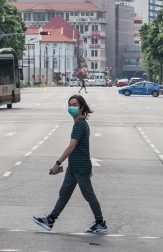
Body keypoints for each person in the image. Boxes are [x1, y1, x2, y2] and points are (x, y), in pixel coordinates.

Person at [33, 94, 107, 234]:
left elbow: (72, 146)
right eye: (70, 105)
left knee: (88, 195)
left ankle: (100, 223)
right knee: (64, 193)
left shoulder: (79, 124)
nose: (71, 107)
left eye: (75, 105)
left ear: (81, 107)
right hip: (74, 166)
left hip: (79, 167)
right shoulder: (79, 123)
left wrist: (57, 163)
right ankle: (51, 220)